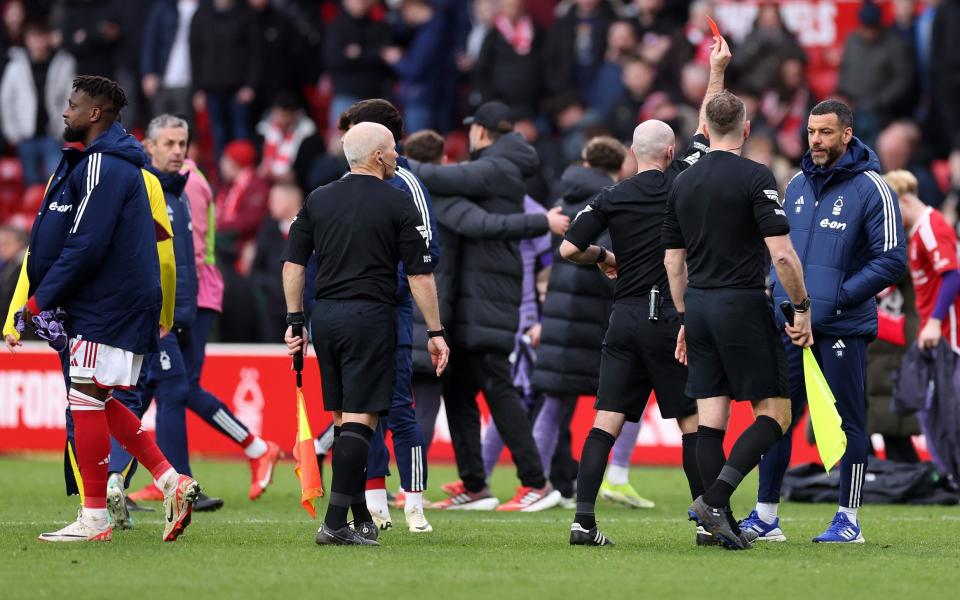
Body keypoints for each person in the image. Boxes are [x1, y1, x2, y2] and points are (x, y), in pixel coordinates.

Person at [4, 76, 200, 542]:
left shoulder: (104, 166)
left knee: (84, 399)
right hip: (117, 302)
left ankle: (93, 518)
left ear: (95, 113)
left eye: (72, 105)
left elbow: (87, 244)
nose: (65, 112)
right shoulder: (109, 165)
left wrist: (39, 300)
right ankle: (172, 480)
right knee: (102, 397)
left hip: (106, 305)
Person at [562, 35, 729, 547]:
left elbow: (569, 250)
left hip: (624, 318)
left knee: (605, 421)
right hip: (670, 318)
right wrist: (716, 70)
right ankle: (709, 523)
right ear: (672, 151)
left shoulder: (611, 195)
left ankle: (583, 522)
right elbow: (711, 123)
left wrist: (605, 258)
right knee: (692, 423)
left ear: (634, 156)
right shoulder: (684, 179)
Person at [739, 100, 906, 545]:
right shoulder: (793, 185)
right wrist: (786, 301)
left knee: (850, 422)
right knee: (776, 419)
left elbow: (891, 261)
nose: (815, 140)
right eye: (812, 131)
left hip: (842, 327)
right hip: (792, 326)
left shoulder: (874, 188)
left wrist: (827, 302)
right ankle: (766, 516)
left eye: (826, 132)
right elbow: (779, 254)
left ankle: (848, 520)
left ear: (847, 134)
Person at [281, 121, 449, 546]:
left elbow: (293, 265)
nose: (397, 156)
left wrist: (295, 320)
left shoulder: (317, 199)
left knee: (342, 421)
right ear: (377, 156)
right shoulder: (396, 202)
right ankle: (335, 523)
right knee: (362, 420)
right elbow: (420, 275)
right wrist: (435, 331)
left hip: (326, 319)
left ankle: (359, 517)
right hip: (371, 316)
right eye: (392, 150)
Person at [110, 115, 282, 522]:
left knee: (168, 390)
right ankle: (244, 451)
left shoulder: (185, 188)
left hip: (182, 307)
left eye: (182, 142)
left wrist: (178, 312)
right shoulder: (157, 188)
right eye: (168, 143)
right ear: (148, 146)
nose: (177, 150)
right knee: (162, 390)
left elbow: (185, 261)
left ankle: (144, 479)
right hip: (163, 309)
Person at [663, 88, 812, 550]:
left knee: (711, 419)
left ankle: (716, 526)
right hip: (742, 304)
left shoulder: (681, 182)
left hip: (700, 306)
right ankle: (715, 499)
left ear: (704, 131)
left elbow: (673, 262)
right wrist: (802, 308)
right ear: (746, 129)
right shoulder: (756, 175)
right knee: (777, 414)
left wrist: (685, 315)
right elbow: (782, 256)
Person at [412, 101, 561, 512]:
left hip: (488, 300)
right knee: (459, 391)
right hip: (474, 300)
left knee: (499, 391)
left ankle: (536, 482)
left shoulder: (496, 167)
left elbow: (449, 189)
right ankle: (475, 484)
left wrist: (397, 163)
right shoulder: (498, 167)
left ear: (480, 131)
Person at [0, 19, 75, 186]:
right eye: (33, 37)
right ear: (26, 39)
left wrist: (63, 127)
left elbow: (71, 97)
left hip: (52, 134)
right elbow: (6, 102)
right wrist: (13, 133)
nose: (37, 42)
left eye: (40, 37)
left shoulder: (63, 63)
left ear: (48, 38)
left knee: (56, 181)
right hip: (25, 137)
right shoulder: (15, 66)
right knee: (31, 183)